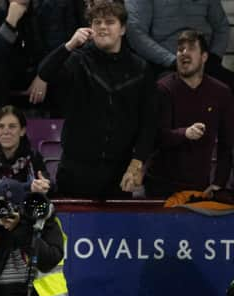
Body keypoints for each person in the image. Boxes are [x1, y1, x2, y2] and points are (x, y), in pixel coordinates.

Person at [37, 0, 156, 198]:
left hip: (118, 175)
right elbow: (45, 72)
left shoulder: (140, 69)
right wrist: (69, 45)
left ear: (123, 29)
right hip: (75, 172)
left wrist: (137, 162)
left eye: (109, 22)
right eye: (97, 22)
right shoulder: (78, 59)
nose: (102, 27)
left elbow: (149, 123)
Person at [144, 30, 234, 198]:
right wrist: (184, 133)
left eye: (191, 48)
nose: (184, 53)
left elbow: (227, 144)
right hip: (160, 185)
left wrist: (218, 183)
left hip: (200, 186)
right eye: (180, 49)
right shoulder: (163, 88)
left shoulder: (221, 92)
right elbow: (155, 137)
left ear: (204, 57)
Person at [125, 0, 234, 91]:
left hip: (206, 63)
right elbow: (136, 33)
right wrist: (171, 60)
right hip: (164, 65)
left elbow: (221, 27)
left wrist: (214, 56)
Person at [0, 0, 49, 116]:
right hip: (4, 74)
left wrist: (43, 75)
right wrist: (10, 22)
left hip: (36, 71)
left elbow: (53, 48)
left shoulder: (44, 9)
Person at [0, 105, 51, 196]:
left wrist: (45, 186)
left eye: (12, 126)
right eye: (1, 126)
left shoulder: (33, 155)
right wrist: (28, 187)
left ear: (22, 131)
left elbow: (48, 183)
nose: (6, 131)